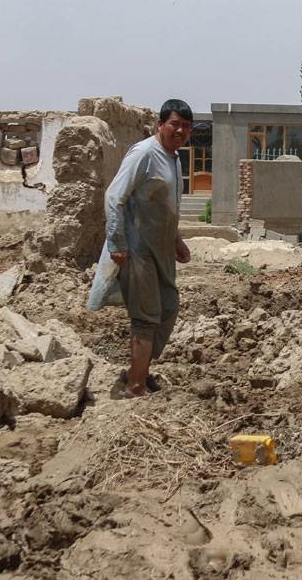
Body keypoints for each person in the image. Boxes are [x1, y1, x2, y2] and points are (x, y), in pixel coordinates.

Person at [103, 99, 193, 397]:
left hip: (162, 250)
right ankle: (135, 386)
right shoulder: (144, 153)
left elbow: (168, 207)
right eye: (175, 124)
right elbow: (114, 197)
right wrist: (117, 243)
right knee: (146, 317)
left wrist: (177, 239)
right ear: (161, 125)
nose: (180, 131)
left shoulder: (174, 157)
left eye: (186, 126)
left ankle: (136, 370)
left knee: (168, 307)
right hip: (137, 249)